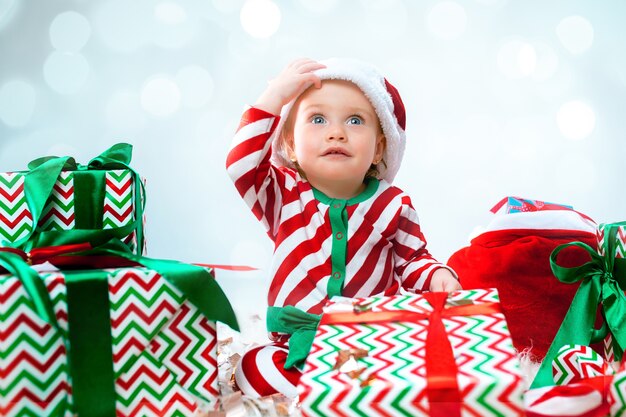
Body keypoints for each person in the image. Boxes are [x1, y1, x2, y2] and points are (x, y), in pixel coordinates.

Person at [226, 58, 461, 398]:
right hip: (297, 343)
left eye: (355, 120)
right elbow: (240, 166)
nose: (336, 132)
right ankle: (331, 392)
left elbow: (413, 260)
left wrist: (436, 275)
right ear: (290, 144)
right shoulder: (283, 195)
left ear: (379, 148)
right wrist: (273, 97)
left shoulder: (393, 204)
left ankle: (350, 392)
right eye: (317, 119)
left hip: (371, 339)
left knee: (413, 369)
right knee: (255, 368)